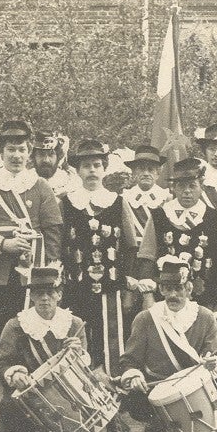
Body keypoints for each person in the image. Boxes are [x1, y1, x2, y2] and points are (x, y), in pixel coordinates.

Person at [0, 119, 64, 407]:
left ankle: (36, 402)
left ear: (29, 152)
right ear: (1, 152)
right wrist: (3, 243)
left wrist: (47, 268)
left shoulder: (41, 186)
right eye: (10, 150)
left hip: (33, 278)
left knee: (32, 338)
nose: (16, 156)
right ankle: (1, 405)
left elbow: (54, 231)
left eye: (21, 149)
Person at [119, 256, 217, 432]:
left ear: (189, 289)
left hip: (194, 388)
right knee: (133, 401)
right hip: (158, 387)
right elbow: (129, 360)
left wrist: (213, 362)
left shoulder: (204, 317)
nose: (172, 295)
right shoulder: (146, 318)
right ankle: (157, 426)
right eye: (167, 289)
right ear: (160, 290)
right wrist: (134, 375)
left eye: (178, 289)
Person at [0, 266, 91, 432]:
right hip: (30, 391)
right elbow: (0, 362)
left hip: (66, 391)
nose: (44, 298)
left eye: (50, 292)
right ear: (31, 297)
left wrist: (77, 353)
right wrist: (13, 374)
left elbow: (84, 369)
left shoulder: (74, 323)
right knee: (9, 406)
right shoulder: (17, 325)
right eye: (39, 293)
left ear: (59, 295)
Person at [61, 139, 138, 375]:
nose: (92, 170)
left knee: (110, 341)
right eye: (86, 166)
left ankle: (113, 391)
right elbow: (61, 244)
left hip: (110, 287)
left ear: (104, 168)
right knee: (78, 340)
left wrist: (127, 287)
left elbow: (130, 246)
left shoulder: (118, 202)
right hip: (77, 286)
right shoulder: (66, 202)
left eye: (96, 164)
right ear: (77, 170)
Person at [133, 157, 217, 319]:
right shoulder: (159, 216)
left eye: (192, 186)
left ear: (201, 187)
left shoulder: (214, 218)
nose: (187, 191)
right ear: (173, 188)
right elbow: (146, 258)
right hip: (166, 301)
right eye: (181, 186)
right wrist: (148, 296)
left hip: (207, 301)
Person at [121, 144, 170, 242]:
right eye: (141, 169)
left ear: (158, 173)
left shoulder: (167, 198)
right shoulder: (125, 198)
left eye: (151, 169)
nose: (146, 173)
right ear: (134, 172)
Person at [33, 130, 79, 197]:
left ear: (58, 157)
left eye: (51, 154)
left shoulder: (72, 181)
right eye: (41, 154)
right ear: (34, 157)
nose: (46, 160)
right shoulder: (25, 181)